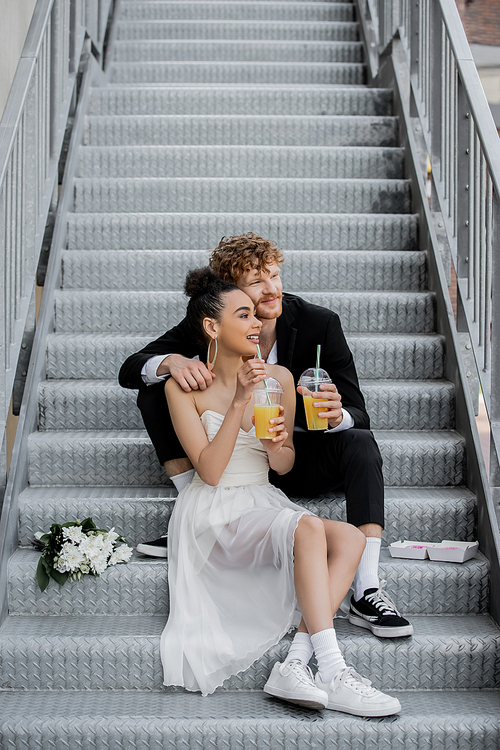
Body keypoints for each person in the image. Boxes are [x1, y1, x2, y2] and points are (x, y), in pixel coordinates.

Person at [119, 233, 413, 639]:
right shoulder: (216, 321)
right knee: (158, 389)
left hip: (291, 455)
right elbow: (131, 368)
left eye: (274, 275)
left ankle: (366, 588)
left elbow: (359, 412)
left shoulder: (318, 322)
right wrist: (171, 361)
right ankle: (196, 514)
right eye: (256, 282)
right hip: (224, 469)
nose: (272, 288)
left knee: (360, 441)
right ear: (228, 291)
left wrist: (335, 414)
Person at [159, 266, 401, 717]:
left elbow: (284, 464)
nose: (256, 324)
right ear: (212, 327)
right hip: (214, 510)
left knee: (348, 537)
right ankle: (332, 667)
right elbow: (209, 473)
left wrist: (275, 446)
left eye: (256, 316)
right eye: (244, 315)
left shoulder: (282, 379)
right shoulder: (184, 387)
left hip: (260, 497)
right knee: (308, 528)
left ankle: (295, 662)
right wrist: (237, 403)